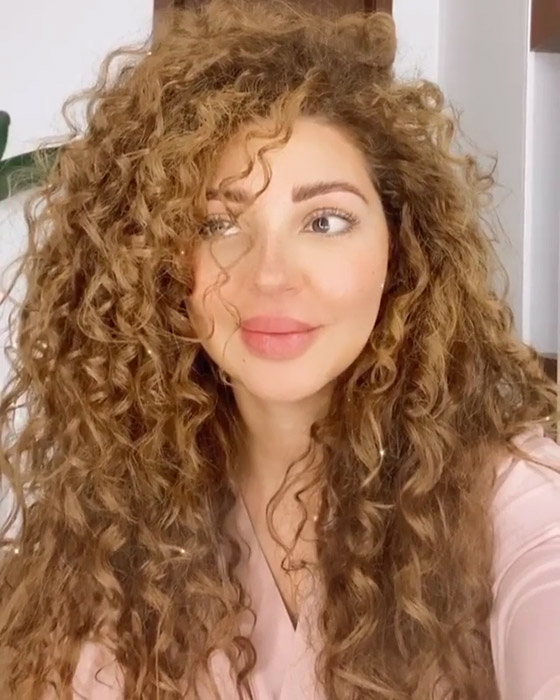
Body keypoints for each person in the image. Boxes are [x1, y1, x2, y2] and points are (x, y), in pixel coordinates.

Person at [1, 1, 559, 698]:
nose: (270, 275)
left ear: (402, 250)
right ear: (160, 265)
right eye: (218, 224)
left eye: (325, 221)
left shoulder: (514, 500)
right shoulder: (111, 527)